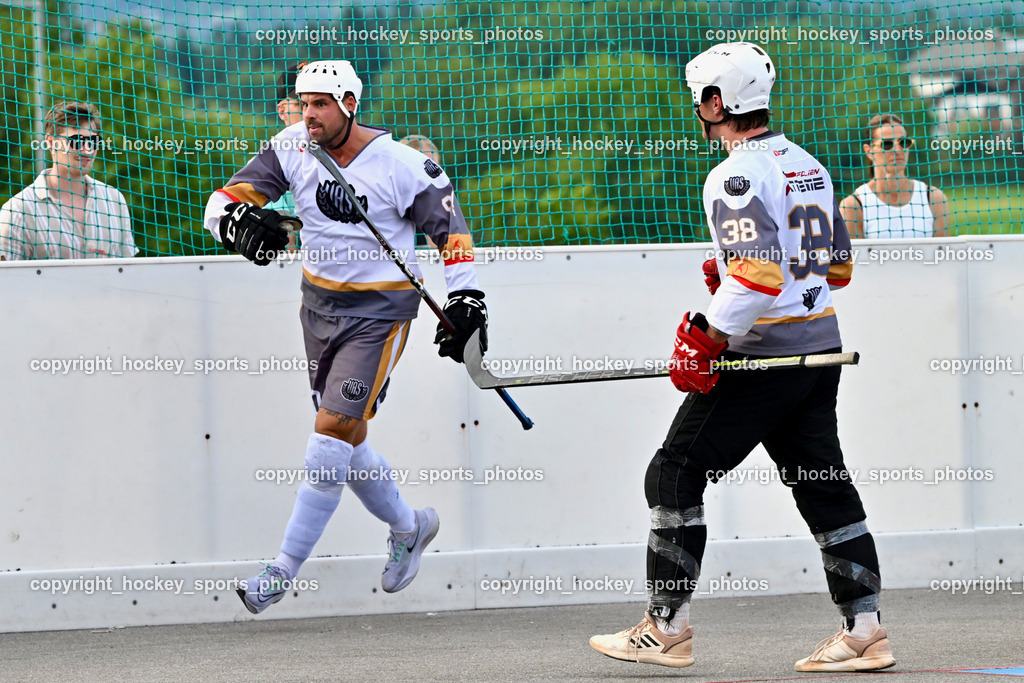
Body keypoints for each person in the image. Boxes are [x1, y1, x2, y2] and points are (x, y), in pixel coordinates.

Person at [589, 43, 895, 673]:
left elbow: (757, 274)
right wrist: (730, 273)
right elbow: (836, 269)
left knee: (673, 473)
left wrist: (705, 335)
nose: (696, 108)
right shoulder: (807, 163)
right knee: (822, 483)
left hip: (765, 358)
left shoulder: (734, 175)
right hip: (819, 350)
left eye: (699, 97)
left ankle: (665, 629)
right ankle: (866, 633)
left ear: (716, 102)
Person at [202, 60, 488, 614]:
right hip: (317, 308)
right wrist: (236, 224)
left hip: (380, 314)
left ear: (349, 105)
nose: (308, 115)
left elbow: (452, 235)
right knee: (345, 441)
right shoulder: (291, 147)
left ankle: (282, 570)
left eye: (320, 105)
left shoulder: (404, 165)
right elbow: (223, 200)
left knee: (330, 432)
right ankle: (409, 526)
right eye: (303, 103)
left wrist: (467, 299)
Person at [0, 101, 135, 261]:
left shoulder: (114, 201)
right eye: (76, 141)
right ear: (51, 142)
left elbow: (127, 270)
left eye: (93, 141)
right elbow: (7, 276)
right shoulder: (18, 211)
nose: (87, 150)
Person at [840, 113, 948, 238]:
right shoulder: (853, 206)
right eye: (887, 144)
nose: (897, 150)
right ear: (869, 151)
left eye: (903, 142)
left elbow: (944, 250)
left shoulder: (933, 198)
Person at [264, 63, 305, 217]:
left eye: (319, 103)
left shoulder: (344, 153)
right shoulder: (268, 163)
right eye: (301, 104)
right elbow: (281, 228)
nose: (310, 112)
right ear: (282, 111)